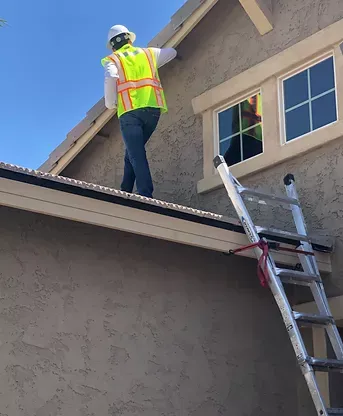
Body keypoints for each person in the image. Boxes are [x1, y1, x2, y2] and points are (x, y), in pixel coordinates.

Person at [101, 25, 177, 198]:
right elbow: (171, 52)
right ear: (130, 40)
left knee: (136, 153)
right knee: (132, 151)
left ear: (112, 46)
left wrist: (111, 103)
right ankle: (125, 190)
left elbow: (112, 77)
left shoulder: (113, 59)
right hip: (153, 111)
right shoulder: (149, 54)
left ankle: (145, 194)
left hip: (130, 112)